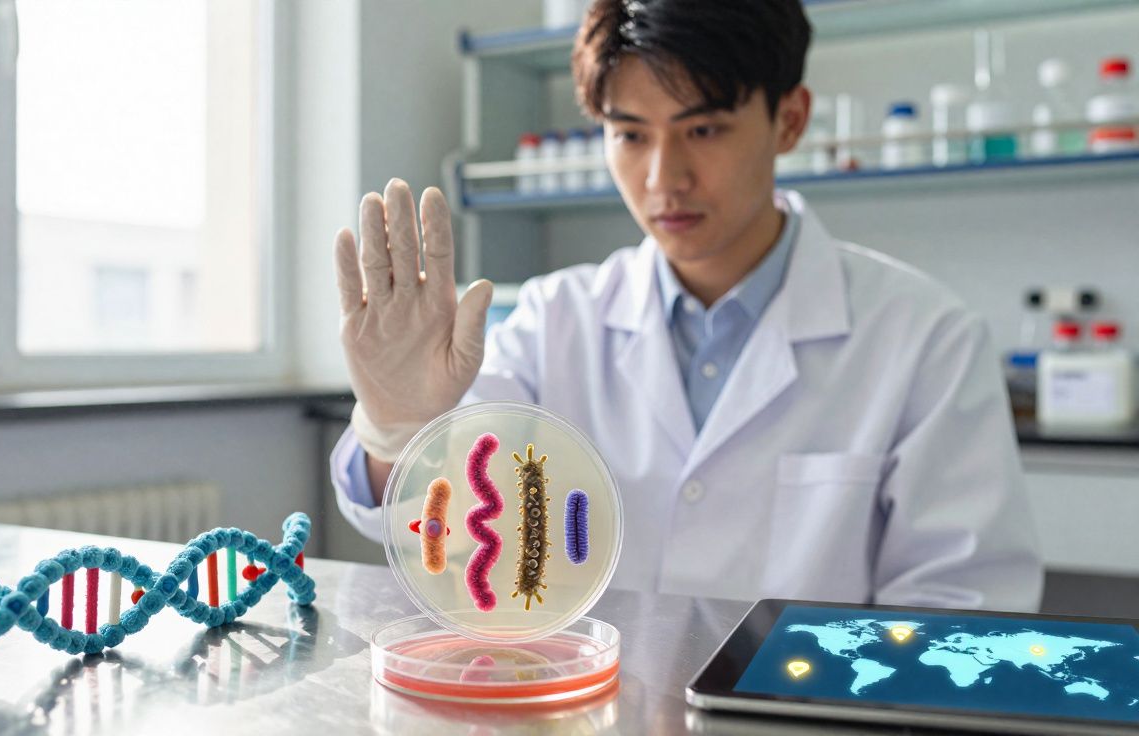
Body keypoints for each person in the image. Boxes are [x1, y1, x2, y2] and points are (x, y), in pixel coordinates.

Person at [329, 0, 1043, 611]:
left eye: (703, 130)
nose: (664, 177)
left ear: (789, 120)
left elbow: (962, 612)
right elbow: (444, 531)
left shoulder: (926, 339)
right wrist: (398, 429)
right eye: (631, 135)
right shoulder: (553, 322)